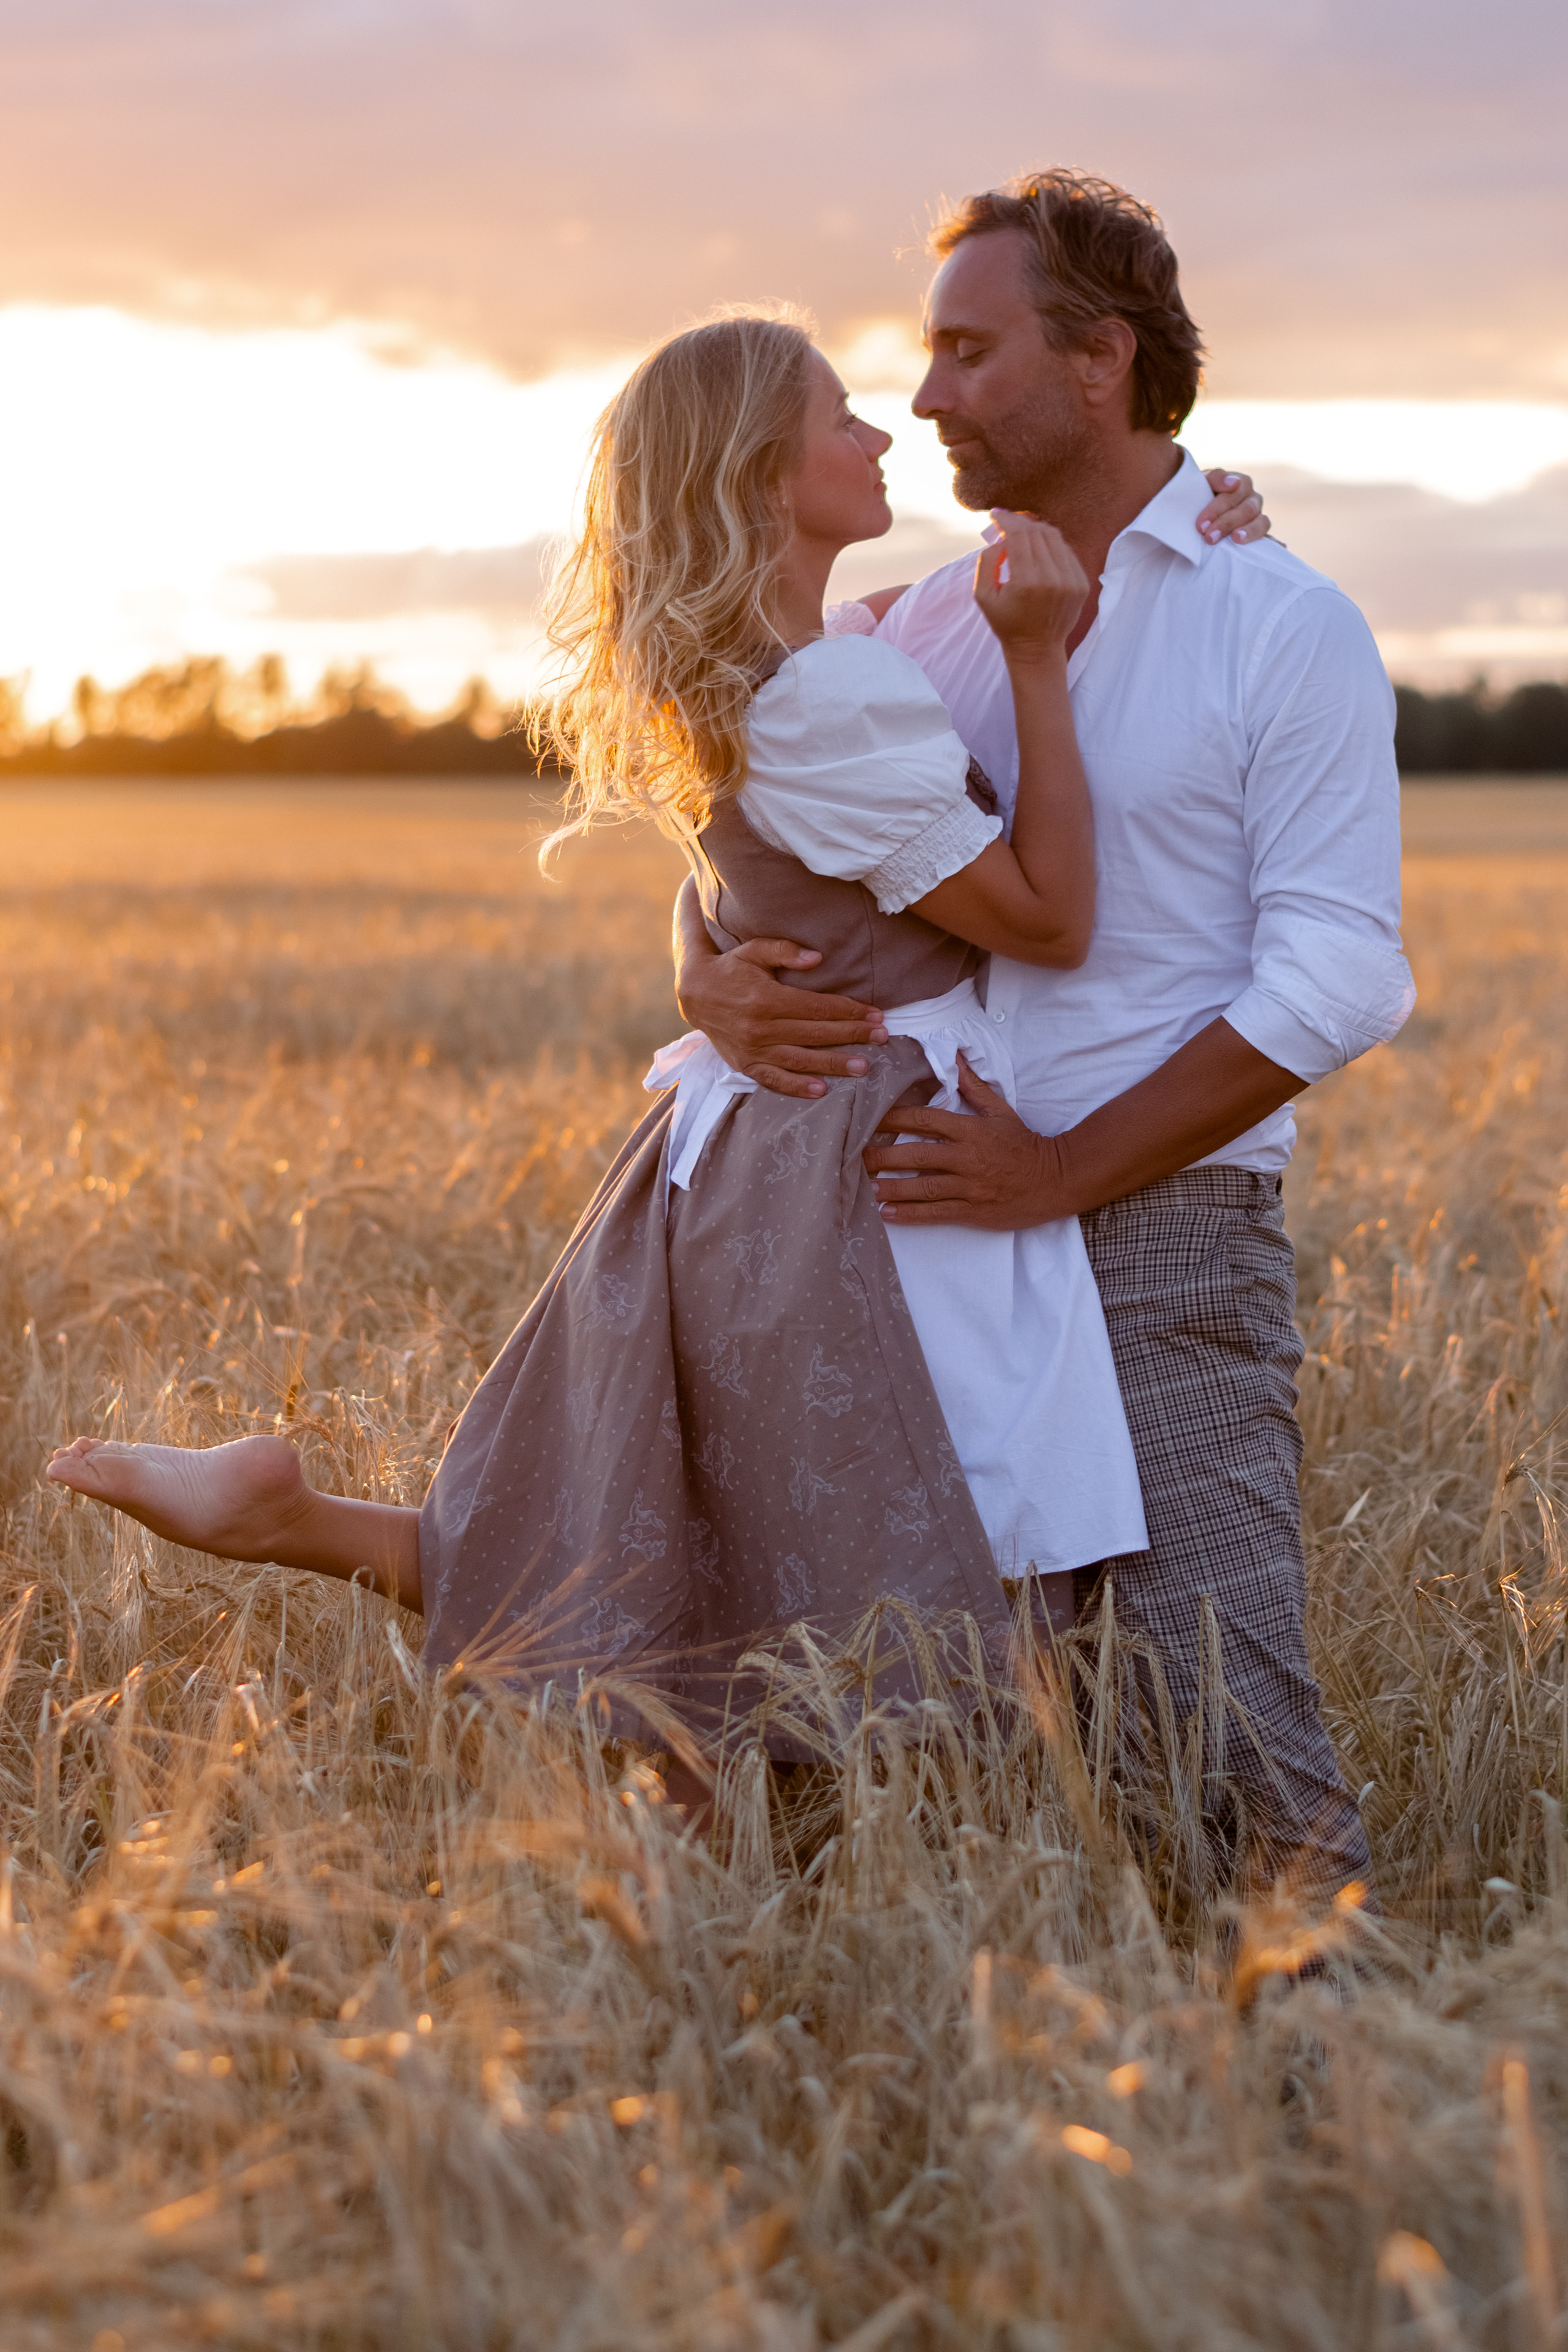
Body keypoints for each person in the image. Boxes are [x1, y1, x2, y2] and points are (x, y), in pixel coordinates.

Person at [44, 309, 1265, 1769]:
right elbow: (1049, 919)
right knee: (925, 1548)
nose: (878, 434)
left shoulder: (792, 661)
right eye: (839, 417)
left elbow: (744, 882)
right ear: (761, 474)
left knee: (727, 1543)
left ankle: (301, 1526)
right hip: (871, 1150)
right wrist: (1039, 666)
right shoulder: (832, 691)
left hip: (749, 1141)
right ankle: (915, 1869)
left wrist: (1198, 509)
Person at [674, 174, 1415, 1899]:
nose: (924, 395)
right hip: (914, 1228)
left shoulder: (1277, 621)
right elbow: (768, 826)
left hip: (1150, 1235)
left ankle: (1356, 2129)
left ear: (1102, 360)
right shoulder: (921, 622)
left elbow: (1338, 982)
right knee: (901, 1735)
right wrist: (697, 976)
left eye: (965, 350)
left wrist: (1059, 1173)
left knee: (1223, 1730)